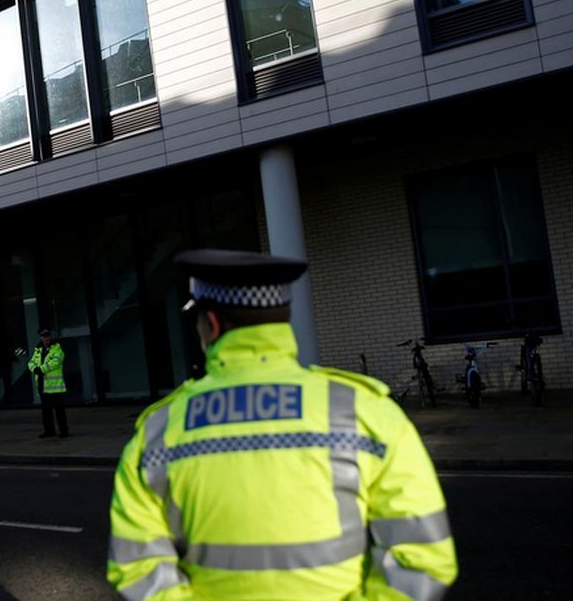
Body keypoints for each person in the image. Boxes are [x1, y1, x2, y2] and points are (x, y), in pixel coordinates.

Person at [107, 249, 457, 600]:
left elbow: (137, 566)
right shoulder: (365, 411)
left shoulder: (159, 430)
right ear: (281, 321)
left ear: (210, 324)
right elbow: (423, 556)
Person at [27, 328, 69, 438]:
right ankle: (49, 431)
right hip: (42, 386)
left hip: (55, 386)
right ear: (41, 337)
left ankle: (64, 431)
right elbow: (31, 362)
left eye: (47, 336)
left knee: (59, 411)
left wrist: (40, 369)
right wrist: (34, 369)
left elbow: (55, 362)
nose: (45, 338)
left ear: (50, 336)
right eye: (43, 336)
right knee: (46, 411)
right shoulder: (38, 350)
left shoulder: (57, 349)